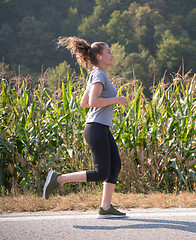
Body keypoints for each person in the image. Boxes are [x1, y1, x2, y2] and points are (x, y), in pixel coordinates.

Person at [43, 36, 127, 219]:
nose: (112, 55)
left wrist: (108, 101)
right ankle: (58, 179)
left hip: (101, 127)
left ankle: (105, 207)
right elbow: (92, 101)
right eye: (109, 52)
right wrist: (116, 99)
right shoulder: (99, 75)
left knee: (115, 165)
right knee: (101, 172)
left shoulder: (96, 75)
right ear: (99, 56)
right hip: (96, 128)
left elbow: (83, 103)